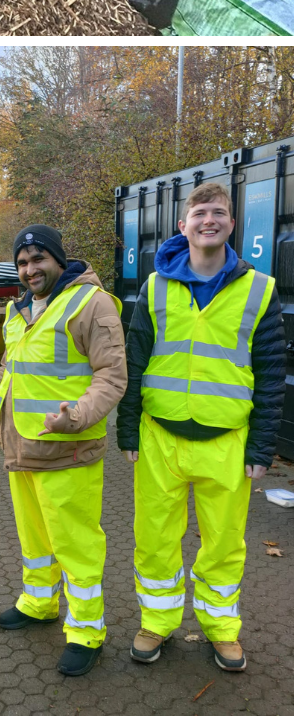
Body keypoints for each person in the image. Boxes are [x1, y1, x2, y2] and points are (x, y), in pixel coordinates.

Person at [116, 182, 284, 673]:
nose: (208, 220)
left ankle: (222, 630)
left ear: (232, 225)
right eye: (199, 213)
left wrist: (262, 446)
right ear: (183, 225)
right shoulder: (154, 287)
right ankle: (157, 622)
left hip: (227, 442)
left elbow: (271, 374)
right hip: (160, 437)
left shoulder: (260, 289)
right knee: (154, 538)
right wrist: (128, 431)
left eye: (218, 213)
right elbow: (134, 360)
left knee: (226, 544)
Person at [0, 225, 126, 679]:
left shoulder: (92, 304)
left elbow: (111, 376)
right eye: (23, 262)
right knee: (36, 542)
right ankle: (38, 602)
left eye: (38, 259)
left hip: (68, 450)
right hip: (21, 447)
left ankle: (87, 631)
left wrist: (79, 416)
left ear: (58, 258)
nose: (30, 269)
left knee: (76, 544)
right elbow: (11, 372)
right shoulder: (20, 311)